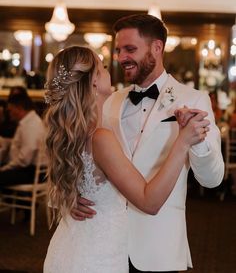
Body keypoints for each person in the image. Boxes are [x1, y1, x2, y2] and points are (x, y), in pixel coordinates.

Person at [71, 14, 224, 273]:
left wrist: (194, 140)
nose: (121, 58)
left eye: (130, 49)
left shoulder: (195, 100)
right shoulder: (109, 101)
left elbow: (213, 179)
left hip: (158, 246)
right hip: (105, 241)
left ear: (157, 47)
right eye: (119, 50)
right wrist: (72, 194)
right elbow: (82, 155)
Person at [43, 46, 210, 273]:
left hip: (70, 247)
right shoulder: (99, 137)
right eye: (101, 67)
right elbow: (149, 201)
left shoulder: (71, 133)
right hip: (96, 258)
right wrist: (182, 142)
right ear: (93, 82)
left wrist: (71, 198)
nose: (112, 66)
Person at [0, 93, 46, 187]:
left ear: (19, 108)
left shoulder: (31, 125)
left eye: (10, 110)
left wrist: (6, 167)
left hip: (32, 171)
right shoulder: (30, 121)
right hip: (30, 169)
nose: (9, 113)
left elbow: (24, 160)